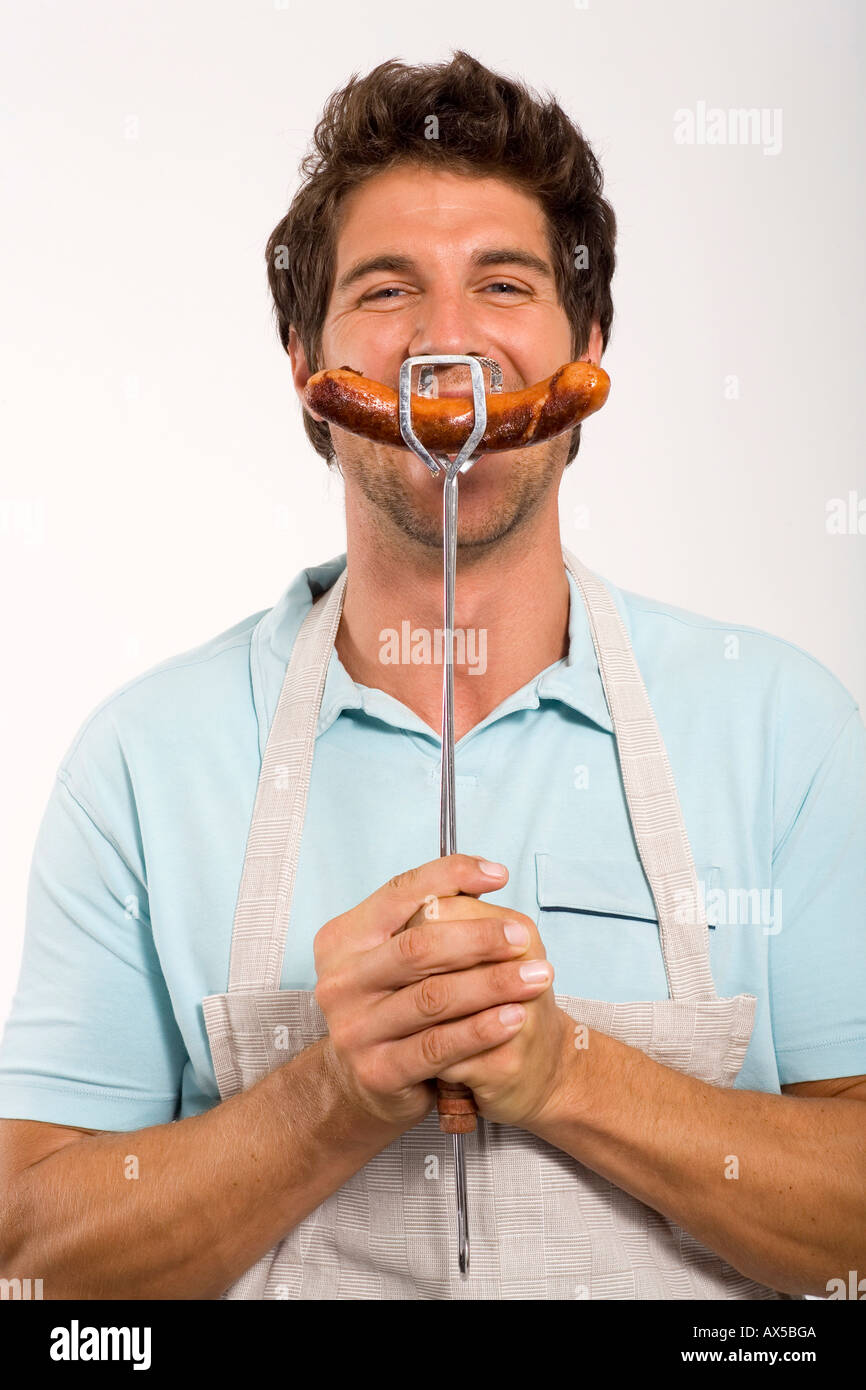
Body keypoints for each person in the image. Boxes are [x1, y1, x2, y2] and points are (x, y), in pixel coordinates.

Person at [1, 50, 864, 1302]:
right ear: (308, 359)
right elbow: (31, 1253)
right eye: (387, 289)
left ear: (588, 347)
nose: (446, 344)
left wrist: (569, 1071)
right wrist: (329, 1092)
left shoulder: (782, 725)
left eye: (503, 284)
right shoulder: (142, 760)